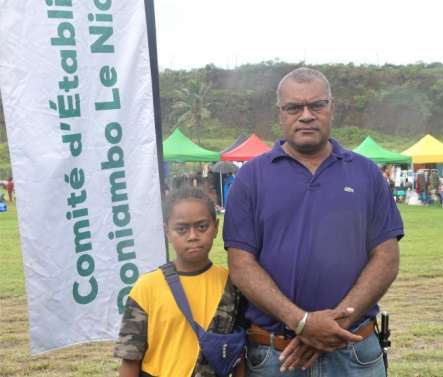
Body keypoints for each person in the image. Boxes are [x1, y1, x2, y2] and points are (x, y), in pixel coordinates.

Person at [224, 67, 404, 377]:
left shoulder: (366, 174)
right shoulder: (251, 177)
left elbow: (386, 258)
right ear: (280, 113)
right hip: (275, 356)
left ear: (332, 108)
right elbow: (241, 264)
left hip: (352, 353)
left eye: (317, 105)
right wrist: (302, 322)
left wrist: (331, 329)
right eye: (294, 107)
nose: (306, 115)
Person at [114, 187, 242, 377]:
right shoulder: (147, 287)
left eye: (201, 226)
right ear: (167, 231)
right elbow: (130, 358)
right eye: (181, 229)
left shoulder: (232, 284)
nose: (192, 236)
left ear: (215, 228)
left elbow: (239, 353)